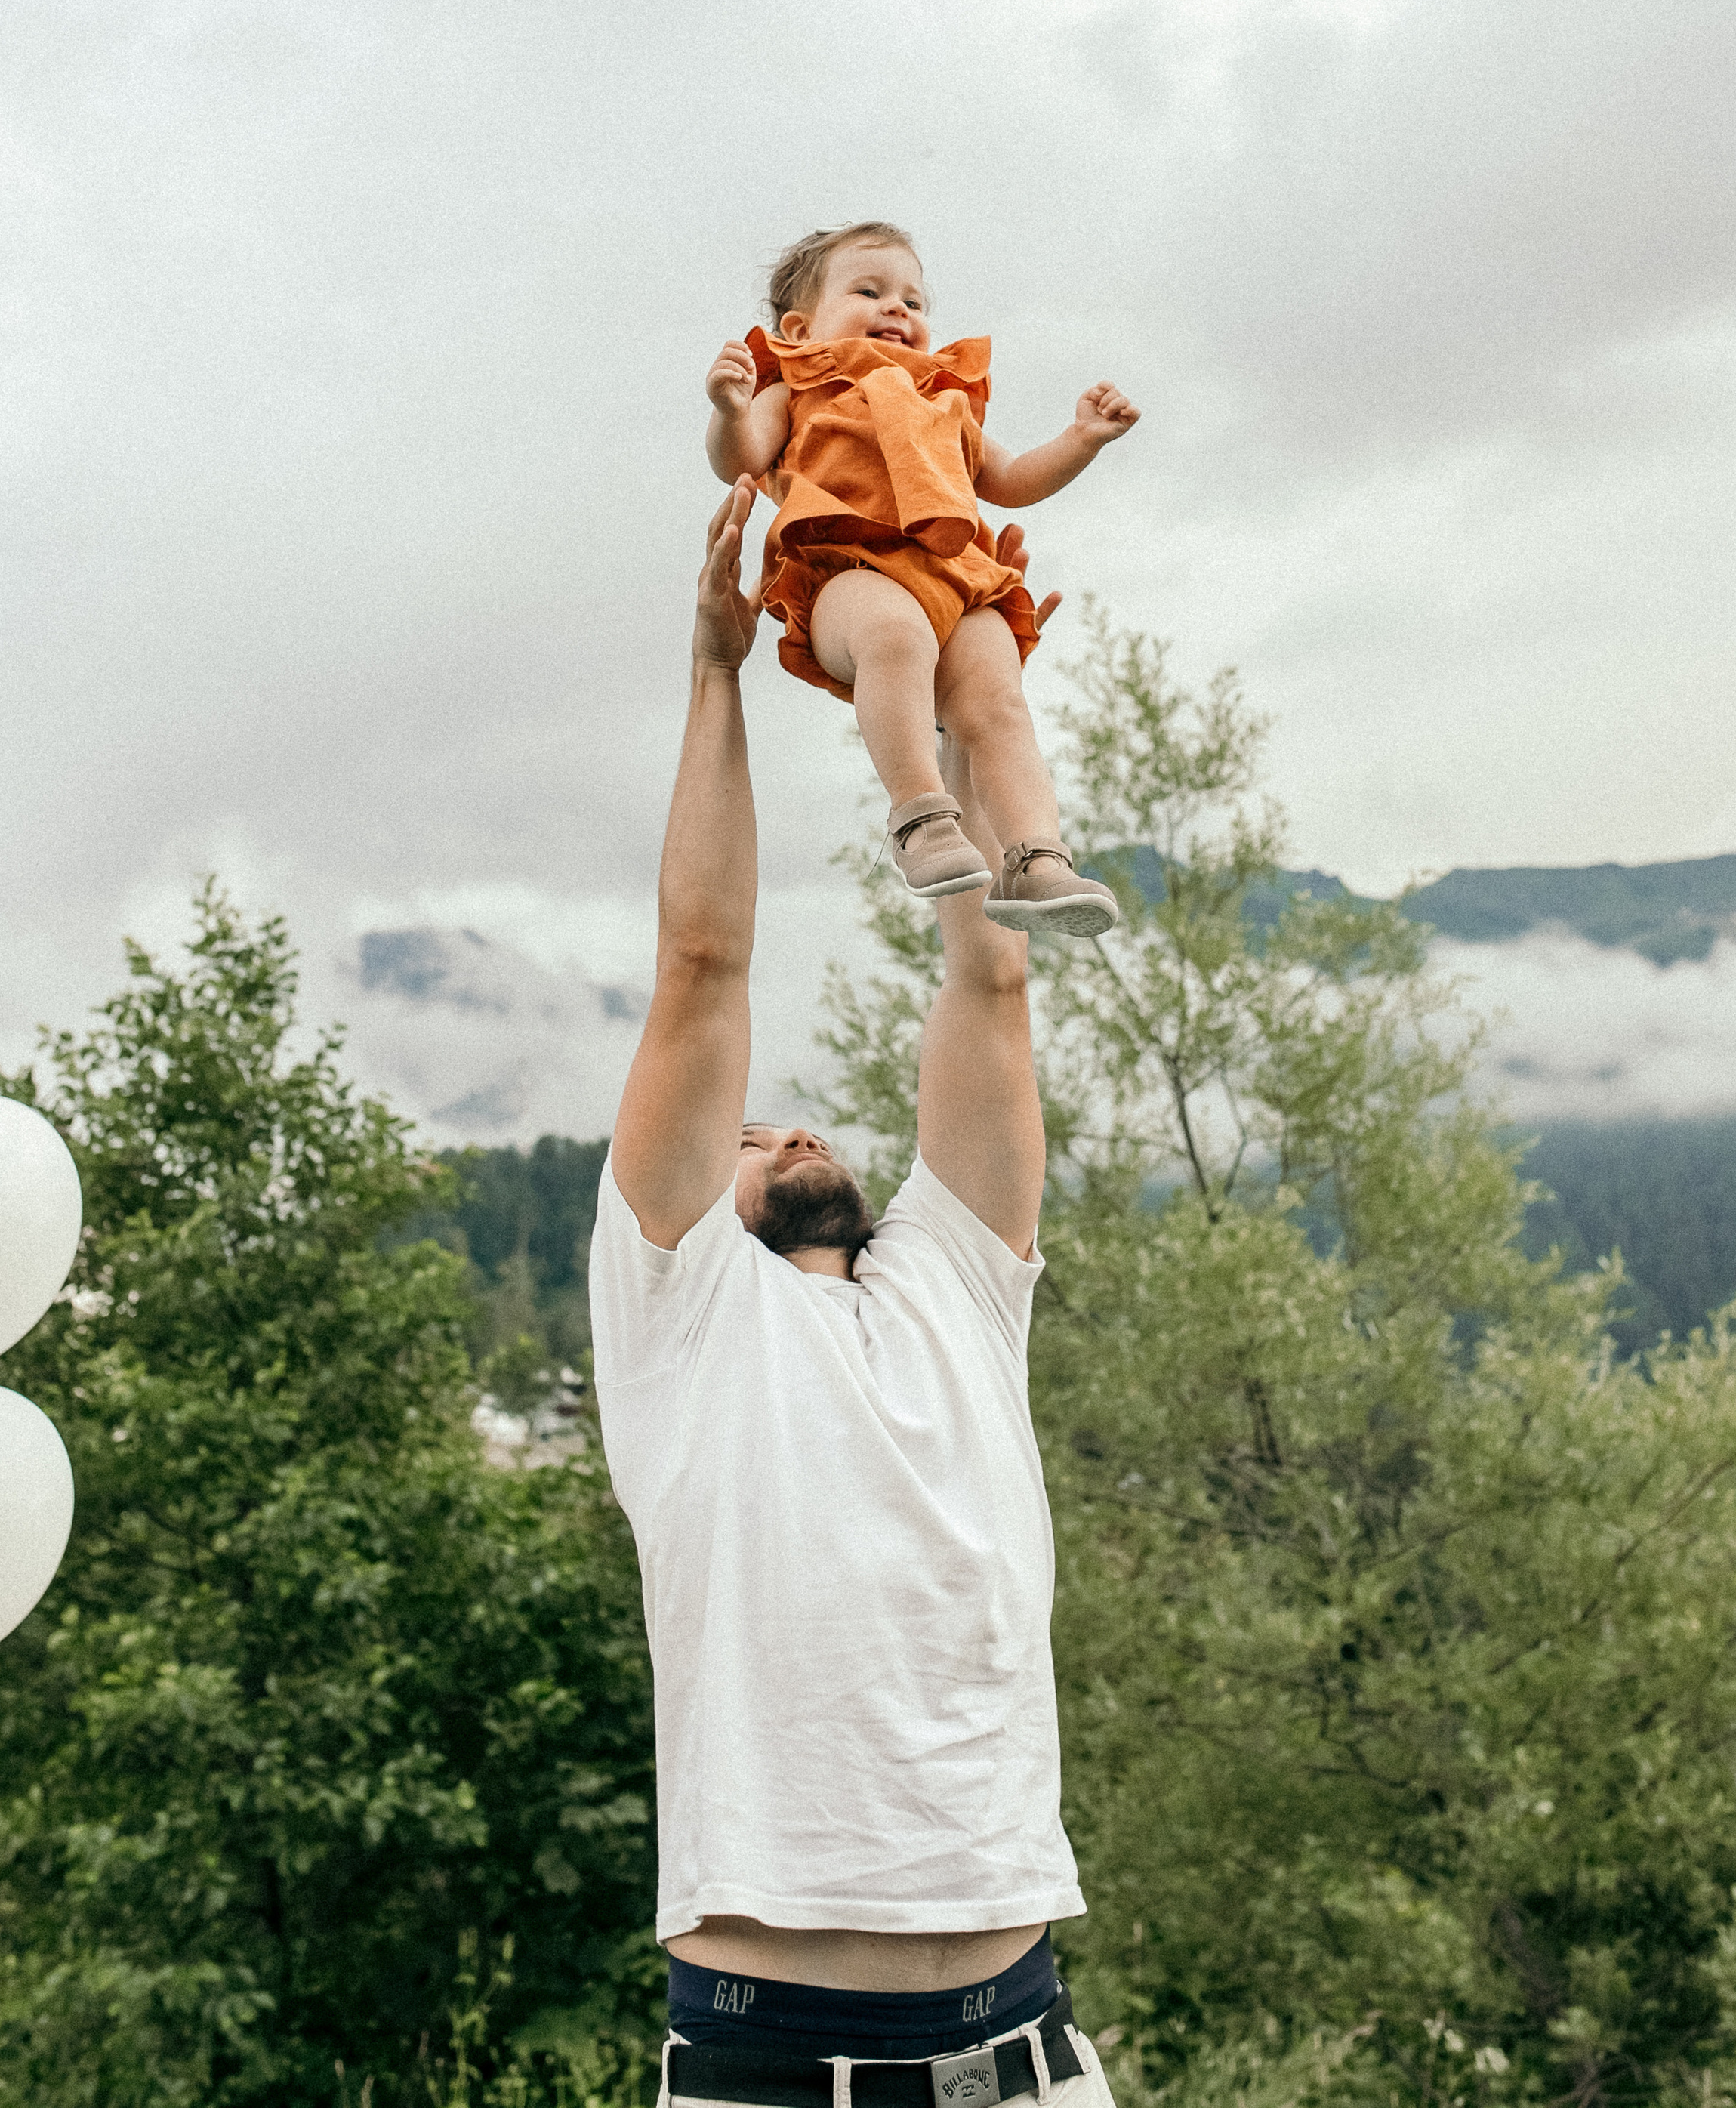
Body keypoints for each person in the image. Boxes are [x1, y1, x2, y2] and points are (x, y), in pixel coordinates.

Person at [589, 480, 1119, 2108]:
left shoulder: (956, 1285)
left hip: (1021, 2056)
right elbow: (703, 974)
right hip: (769, 2065)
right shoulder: (684, 1317)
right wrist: (714, 669)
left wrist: (961, 666)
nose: (784, 1123)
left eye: (795, 1115)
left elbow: (994, 968)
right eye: (749, 1135)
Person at [704, 221, 1139, 940]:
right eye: (870, 291)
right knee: (895, 635)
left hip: (956, 573)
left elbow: (1010, 480)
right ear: (801, 327)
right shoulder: (805, 383)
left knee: (999, 700)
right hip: (849, 563)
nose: (897, 310)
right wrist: (729, 410)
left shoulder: (945, 397)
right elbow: (742, 457)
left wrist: (1080, 441)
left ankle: (1034, 856)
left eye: (914, 299)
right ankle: (921, 816)